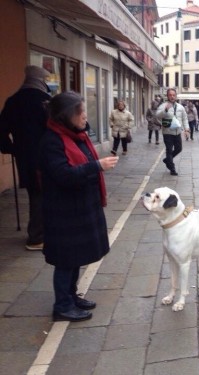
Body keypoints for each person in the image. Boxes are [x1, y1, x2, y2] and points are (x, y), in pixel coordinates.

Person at [39, 91, 118, 322]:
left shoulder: (75, 135)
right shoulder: (52, 141)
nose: (85, 116)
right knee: (65, 259)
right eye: (80, 112)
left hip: (79, 207)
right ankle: (62, 305)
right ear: (66, 116)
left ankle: (72, 296)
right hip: (63, 211)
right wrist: (97, 166)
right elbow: (63, 175)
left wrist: (95, 167)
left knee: (76, 257)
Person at [0, 65, 52, 251]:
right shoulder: (44, 100)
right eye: (45, 80)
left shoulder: (13, 101)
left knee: (35, 191)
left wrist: (10, 148)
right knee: (42, 193)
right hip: (45, 155)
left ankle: (40, 232)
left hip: (24, 156)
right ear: (40, 80)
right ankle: (36, 237)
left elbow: (1, 129)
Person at [156, 88, 189, 176]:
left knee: (179, 148)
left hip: (177, 131)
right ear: (167, 96)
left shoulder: (180, 107)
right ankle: (172, 168)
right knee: (169, 150)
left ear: (176, 96)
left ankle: (167, 160)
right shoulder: (163, 106)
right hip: (167, 132)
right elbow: (157, 116)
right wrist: (165, 111)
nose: (172, 97)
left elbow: (184, 118)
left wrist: (187, 129)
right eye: (170, 95)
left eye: (173, 95)